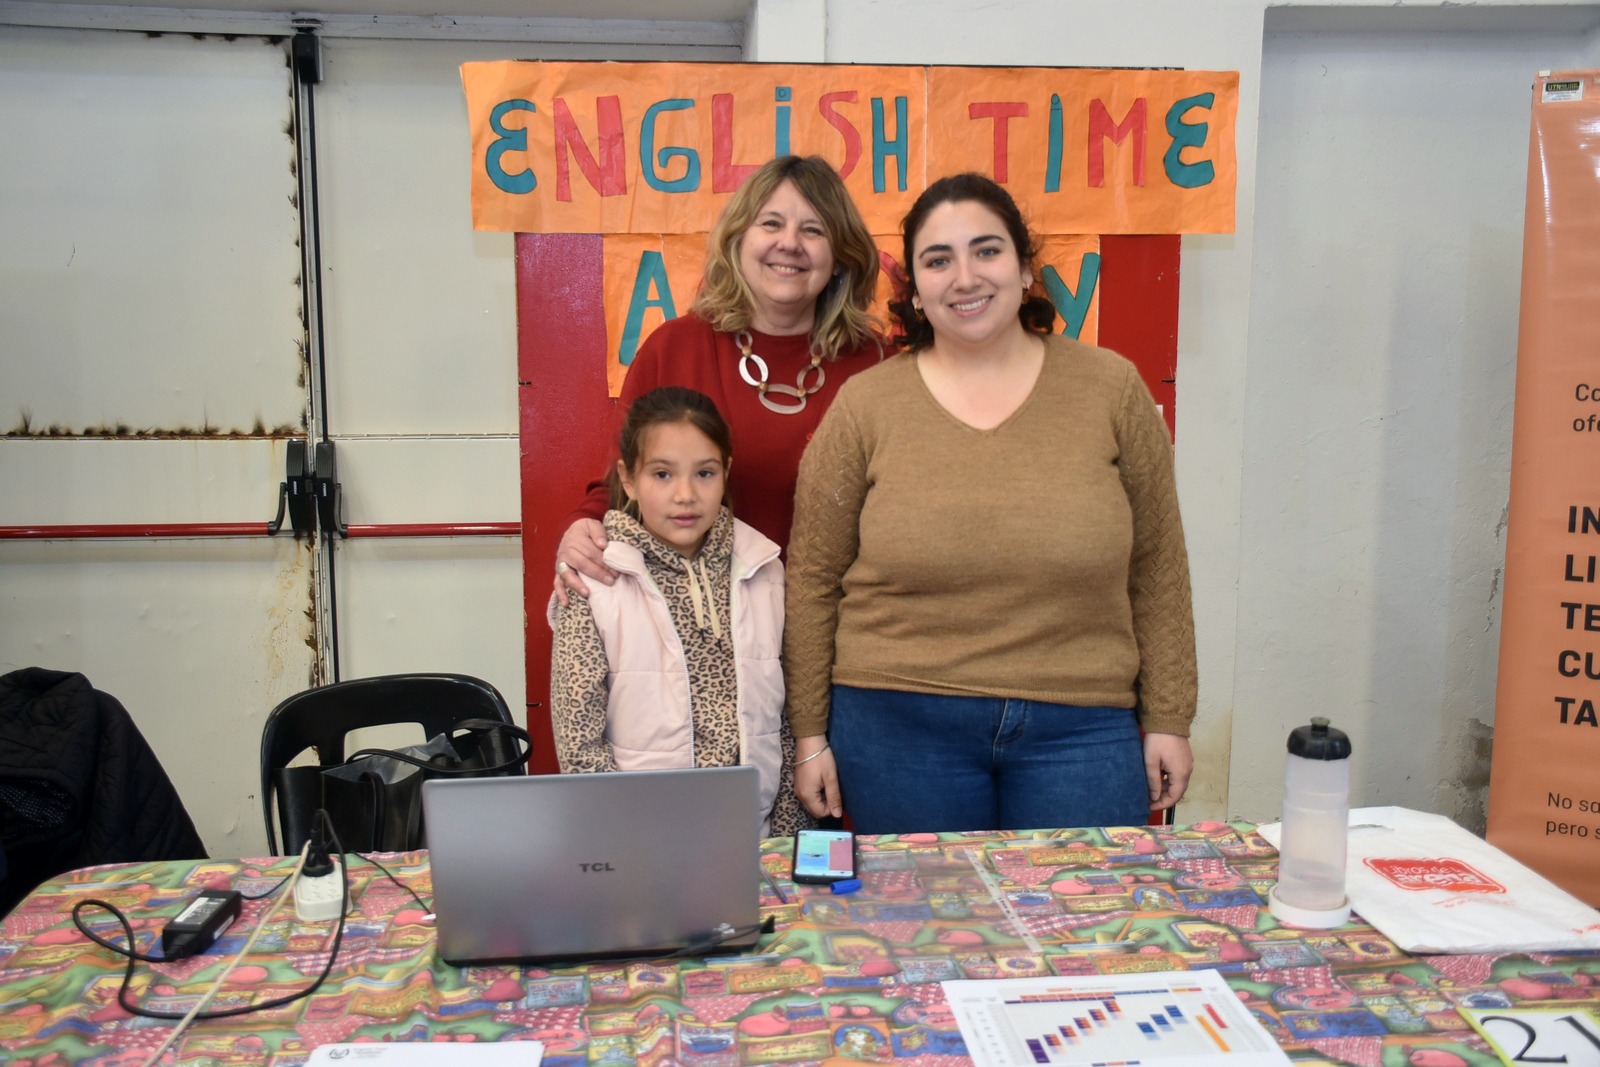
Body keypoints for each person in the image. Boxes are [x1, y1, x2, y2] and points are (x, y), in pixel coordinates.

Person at [783, 173, 1198, 834]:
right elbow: (811, 579)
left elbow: (1159, 567)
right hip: (897, 723)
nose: (965, 277)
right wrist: (809, 736)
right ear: (914, 290)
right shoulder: (866, 406)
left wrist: (1170, 717)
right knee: (926, 907)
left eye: (987, 250)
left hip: (1082, 725)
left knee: (1078, 904)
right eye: (938, 260)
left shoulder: (1111, 388)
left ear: (1026, 268)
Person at [554, 154, 882, 605]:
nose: (789, 243)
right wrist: (580, 529)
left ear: (841, 257)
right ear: (738, 240)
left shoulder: (879, 364)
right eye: (771, 223)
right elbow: (620, 484)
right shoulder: (673, 348)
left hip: (842, 621)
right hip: (698, 620)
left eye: (814, 230)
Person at [548, 386, 806, 836]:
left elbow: (782, 722)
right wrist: (624, 843)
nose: (685, 494)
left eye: (704, 473)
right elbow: (579, 741)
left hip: (753, 836)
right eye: (663, 474)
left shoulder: (764, 570)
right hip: (642, 843)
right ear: (629, 479)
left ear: (726, 472)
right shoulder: (594, 583)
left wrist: (785, 842)